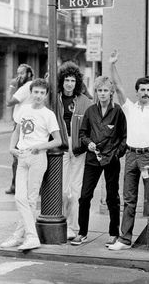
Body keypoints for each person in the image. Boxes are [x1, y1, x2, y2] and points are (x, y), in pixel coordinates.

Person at [108, 50, 149, 255]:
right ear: (137, 92)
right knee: (129, 200)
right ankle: (125, 239)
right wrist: (113, 64)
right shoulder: (129, 108)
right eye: (142, 90)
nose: (145, 93)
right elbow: (118, 87)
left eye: (148, 90)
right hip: (131, 156)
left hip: (148, 157)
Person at [0, 78, 62, 251]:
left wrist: (39, 146)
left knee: (30, 200)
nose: (39, 96)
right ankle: (27, 236)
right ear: (31, 92)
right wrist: (11, 148)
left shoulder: (48, 115)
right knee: (20, 198)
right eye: (36, 92)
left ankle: (24, 237)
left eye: (42, 93)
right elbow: (17, 131)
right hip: (22, 157)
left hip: (38, 158)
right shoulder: (24, 109)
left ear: (46, 95)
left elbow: (58, 140)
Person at [71, 76, 127, 247]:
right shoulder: (90, 111)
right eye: (99, 90)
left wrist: (117, 154)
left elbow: (124, 137)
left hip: (111, 159)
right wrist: (88, 144)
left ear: (111, 93)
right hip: (93, 159)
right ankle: (82, 233)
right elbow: (82, 133)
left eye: (105, 91)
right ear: (95, 92)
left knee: (112, 197)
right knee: (85, 196)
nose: (102, 94)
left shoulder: (117, 111)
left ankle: (113, 233)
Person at [56, 61, 92, 240]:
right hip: (61, 144)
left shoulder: (84, 100)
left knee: (75, 188)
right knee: (62, 188)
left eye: (72, 80)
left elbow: (94, 117)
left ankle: (73, 225)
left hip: (78, 146)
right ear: (61, 81)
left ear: (77, 82)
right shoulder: (54, 99)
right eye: (66, 80)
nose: (69, 83)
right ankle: (61, 222)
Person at [5, 64, 34, 194]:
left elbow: (8, 102)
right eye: (17, 73)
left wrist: (11, 87)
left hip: (21, 125)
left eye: (21, 73)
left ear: (28, 74)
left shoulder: (25, 88)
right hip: (28, 123)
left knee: (17, 156)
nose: (18, 76)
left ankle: (16, 186)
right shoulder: (30, 86)